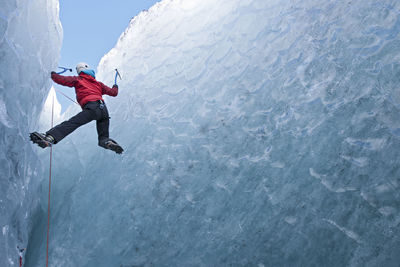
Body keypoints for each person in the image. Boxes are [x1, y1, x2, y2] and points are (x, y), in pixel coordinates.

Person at [30, 62, 123, 154]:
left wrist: (52, 74)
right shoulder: (99, 84)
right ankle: (108, 143)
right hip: (104, 111)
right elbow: (113, 93)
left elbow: (61, 80)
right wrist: (115, 86)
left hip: (92, 108)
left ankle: (49, 138)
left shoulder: (78, 79)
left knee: (72, 123)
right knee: (103, 137)